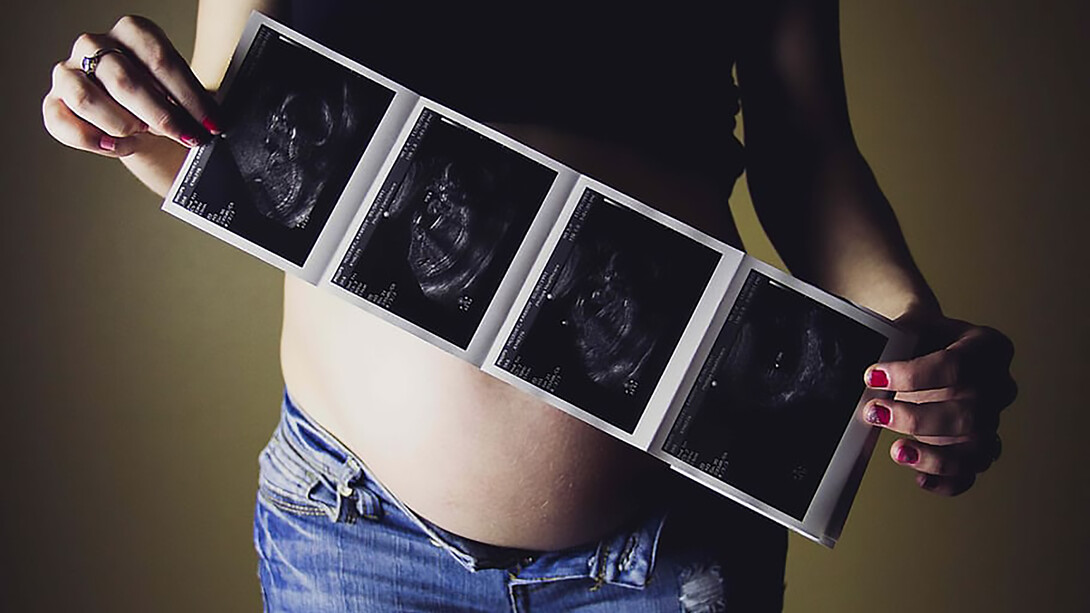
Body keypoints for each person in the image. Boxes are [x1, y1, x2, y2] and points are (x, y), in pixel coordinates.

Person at [41, 1, 1017, 611]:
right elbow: (215, 136)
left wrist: (907, 325)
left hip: (667, 548)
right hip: (353, 536)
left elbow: (805, 146)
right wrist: (117, 108)